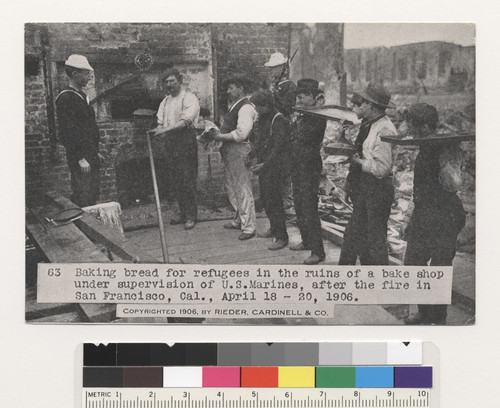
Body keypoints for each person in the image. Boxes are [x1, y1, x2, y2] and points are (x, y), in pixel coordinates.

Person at [402, 103, 466, 325]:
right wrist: (408, 217)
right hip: (423, 214)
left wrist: (450, 158)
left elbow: (453, 184)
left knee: (439, 269)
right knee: (413, 263)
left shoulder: (443, 147)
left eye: (411, 123)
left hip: (444, 216)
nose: (407, 127)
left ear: (425, 126)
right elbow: (417, 188)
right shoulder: (424, 148)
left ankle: (438, 319)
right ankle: (424, 312)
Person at [338, 82, 397, 266]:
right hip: (365, 187)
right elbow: (362, 150)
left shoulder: (384, 128)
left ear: (370, 105)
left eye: (361, 102)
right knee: (355, 236)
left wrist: (357, 161)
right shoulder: (369, 124)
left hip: (378, 190)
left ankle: (379, 283)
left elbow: (382, 169)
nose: (356, 106)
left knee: (375, 240)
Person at [151, 68, 200, 230]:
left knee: (187, 178)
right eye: (166, 82)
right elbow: (160, 121)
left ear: (180, 81)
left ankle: (191, 215)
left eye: (172, 81)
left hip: (185, 141)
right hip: (170, 143)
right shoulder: (165, 102)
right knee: (176, 179)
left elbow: (185, 121)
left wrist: (165, 130)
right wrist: (158, 131)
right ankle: (183, 213)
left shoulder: (189, 98)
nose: (169, 85)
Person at [56, 54, 104, 207]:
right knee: (82, 194)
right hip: (80, 158)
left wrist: (94, 151)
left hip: (89, 153)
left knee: (92, 192)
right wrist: (80, 158)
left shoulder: (82, 96)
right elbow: (67, 133)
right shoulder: (66, 98)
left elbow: (88, 127)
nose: (89, 78)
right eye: (85, 74)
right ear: (75, 74)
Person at [213, 75, 257, 240]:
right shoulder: (236, 106)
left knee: (242, 186)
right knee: (233, 186)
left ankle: (249, 226)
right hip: (230, 150)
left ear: (241, 88)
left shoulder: (246, 107)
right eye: (228, 88)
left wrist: (219, 136)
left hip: (239, 149)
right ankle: (240, 219)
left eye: (231, 88)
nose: (228, 91)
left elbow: (242, 134)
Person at [289, 78, 327, 265]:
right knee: (299, 204)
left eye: (303, 96)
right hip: (297, 164)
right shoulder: (303, 114)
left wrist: (296, 126)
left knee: (309, 208)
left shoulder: (318, 116)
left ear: (313, 97)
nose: (300, 100)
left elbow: (304, 136)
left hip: (309, 166)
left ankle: (318, 251)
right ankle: (306, 240)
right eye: (298, 96)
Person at [249, 90, 291, 250]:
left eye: (258, 106)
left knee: (275, 201)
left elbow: (278, 148)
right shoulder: (264, 119)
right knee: (266, 199)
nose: (256, 109)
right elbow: (262, 141)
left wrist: (264, 165)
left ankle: (281, 236)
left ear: (267, 105)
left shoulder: (278, 120)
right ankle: (274, 228)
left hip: (276, 167)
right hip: (265, 166)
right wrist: (252, 154)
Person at [264, 52, 297, 117]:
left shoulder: (290, 86)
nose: (270, 70)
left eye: (273, 67)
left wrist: (275, 94)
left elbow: (287, 109)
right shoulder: (273, 84)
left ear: (281, 67)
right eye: (269, 67)